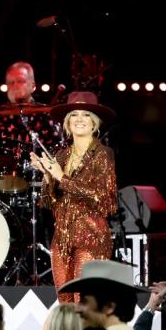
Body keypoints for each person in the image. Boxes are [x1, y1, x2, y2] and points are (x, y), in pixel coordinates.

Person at [30, 92, 118, 303]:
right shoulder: (60, 156)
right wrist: (46, 176)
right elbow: (47, 201)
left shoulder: (103, 154)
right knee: (65, 304)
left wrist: (61, 177)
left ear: (94, 122)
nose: (79, 119)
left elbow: (103, 198)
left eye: (85, 115)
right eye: (74, 114)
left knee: (84, 302)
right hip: (61, 239)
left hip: (90, 237)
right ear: (67, 123)